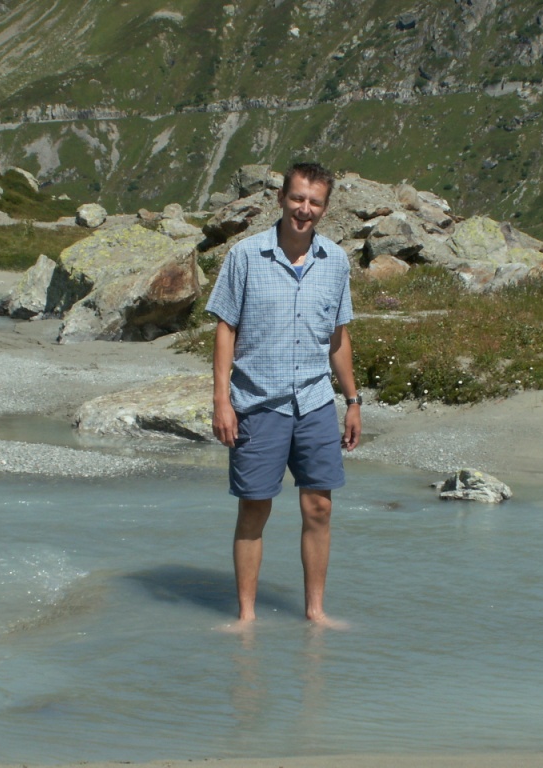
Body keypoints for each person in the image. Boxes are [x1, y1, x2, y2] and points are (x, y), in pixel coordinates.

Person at [205, 161, 361, 627]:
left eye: (314, 202)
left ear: (325, 208)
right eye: (297, 198)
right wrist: (221, 401)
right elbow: (225, 329)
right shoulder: (245, 255)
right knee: (254, 508)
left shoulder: (335, 261)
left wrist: (353, 401)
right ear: (281, 198)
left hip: (315, 402)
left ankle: (315, 613)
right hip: (257, 402)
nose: (304, 209)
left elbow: (338, 336)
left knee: (319, 507)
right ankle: (246, 618)